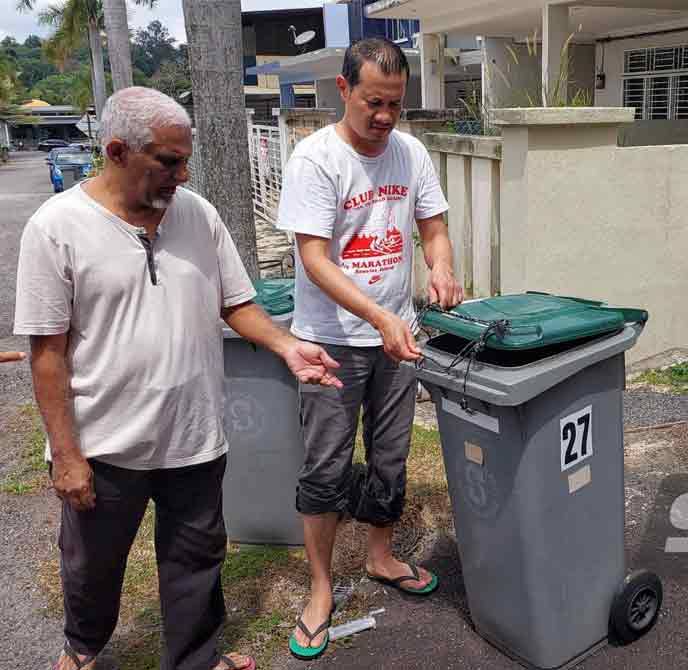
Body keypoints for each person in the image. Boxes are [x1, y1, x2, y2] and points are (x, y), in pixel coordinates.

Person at [14, 87, 342, 670]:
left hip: (193, 436)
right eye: (168, 161)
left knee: (195, 559)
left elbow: (235, 303)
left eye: (184, 159)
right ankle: (83, 651)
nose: (181, 174)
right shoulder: (55, 228)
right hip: (105, 443)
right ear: (117, 151)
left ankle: (194, 659)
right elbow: (47, 354)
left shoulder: (197, 214)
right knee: (92, 564)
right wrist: (66, 454)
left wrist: (287, 345)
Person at [276, 38, 463, 660]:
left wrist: (440, 268)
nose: (384, 117)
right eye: (373, 103)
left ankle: (381, 557)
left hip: (395, 339)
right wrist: (380, 314)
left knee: (391, 459)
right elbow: (314, 259)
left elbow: (432, 228)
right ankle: (322, 589)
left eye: (395, 104)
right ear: (344, 90)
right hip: (330, 342)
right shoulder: (316, 159)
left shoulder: (410, 153)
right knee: (325, 469)